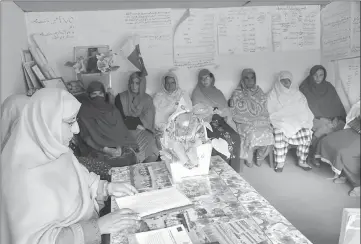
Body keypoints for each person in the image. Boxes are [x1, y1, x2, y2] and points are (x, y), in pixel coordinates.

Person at [0, 88, 141, 244]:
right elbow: (39, 240)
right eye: (70, 122)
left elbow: (83, 181)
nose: (76, 130)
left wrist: (107, 188)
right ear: (46, 122)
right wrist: (98, 227)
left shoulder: (58, 151)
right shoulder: (21, 179)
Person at [76, 81, 138, 178]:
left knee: (129, 159)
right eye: (94, 94)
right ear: (89, 95)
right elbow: (86, 137)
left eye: (100, 94)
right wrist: (106, 150)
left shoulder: (112, 109)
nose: (98, 97)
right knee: (107, 166)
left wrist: (119, 147)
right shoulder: (84, 112)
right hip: (97, 148)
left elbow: (121, 131)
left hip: (118, 146)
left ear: (104, 95)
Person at [191, 69, 241, 171]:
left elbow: (225, 109)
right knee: (219, 140)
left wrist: (221, 113)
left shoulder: (218, 92)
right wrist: (210, 110)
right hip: (206, 123)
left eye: (207, 78)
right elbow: (196, 110)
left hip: (221, 121)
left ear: (212, 78)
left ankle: (234, 169)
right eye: (202, 79)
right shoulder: (197, 93)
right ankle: (221, 169)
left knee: (234, 137)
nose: (204, 81)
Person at [267, 71, 314, 172]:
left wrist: (299, 117)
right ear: (279, 82)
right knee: (279, 132)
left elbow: (304, 108)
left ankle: (302, 161)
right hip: (281, 120)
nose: (285, 84)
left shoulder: (297, 93)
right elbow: (271, 110)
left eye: (287, 81)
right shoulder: (272, 94)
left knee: (306, 131)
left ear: (291, 82)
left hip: (296, 119)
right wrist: (284, 116)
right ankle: (280, 162)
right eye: (282, 81)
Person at [299, 65, 346, 162]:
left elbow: (336, 105)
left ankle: (330, 156)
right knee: (325, 127)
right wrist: (321, 118)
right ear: (311, 75)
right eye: (315, 75)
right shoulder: (305, 88)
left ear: (324, 76)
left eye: (321, 75)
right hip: (312, 118)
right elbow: (303, 108)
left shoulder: (329, 87)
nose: (318, 78)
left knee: (342, 127)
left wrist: (336, 118)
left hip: (331, 118)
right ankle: (314, 153)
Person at [314, 100, 360, 197]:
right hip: (356, 129)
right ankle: (344, 175)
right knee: (328, 140)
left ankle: (358, 185)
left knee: (344, 153)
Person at [230, 68, 274, 167]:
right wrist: (248, 119)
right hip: (243, 122)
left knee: (269, 133)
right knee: (251, 133)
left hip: (260, 120)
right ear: (242, 79)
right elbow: (234, 110)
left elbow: (263, 108)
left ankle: (260, 156)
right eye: (247, 78)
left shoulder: (259, 91)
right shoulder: (237, 93)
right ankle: (248, 157)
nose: (250, 80)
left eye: (252, 78)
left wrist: (259, 118)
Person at [115, 72, 159, 163]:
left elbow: (148, 120)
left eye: (137, 83)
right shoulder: (120, 97)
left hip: (144, 132)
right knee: (129, 152)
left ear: (142, 85)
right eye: (132, 82)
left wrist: (130, 121)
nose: (134, 86)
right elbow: (120, 120)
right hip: (125, 131)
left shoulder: (147, 99)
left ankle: (146, 171)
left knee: (152, 150)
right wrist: (136, 124)